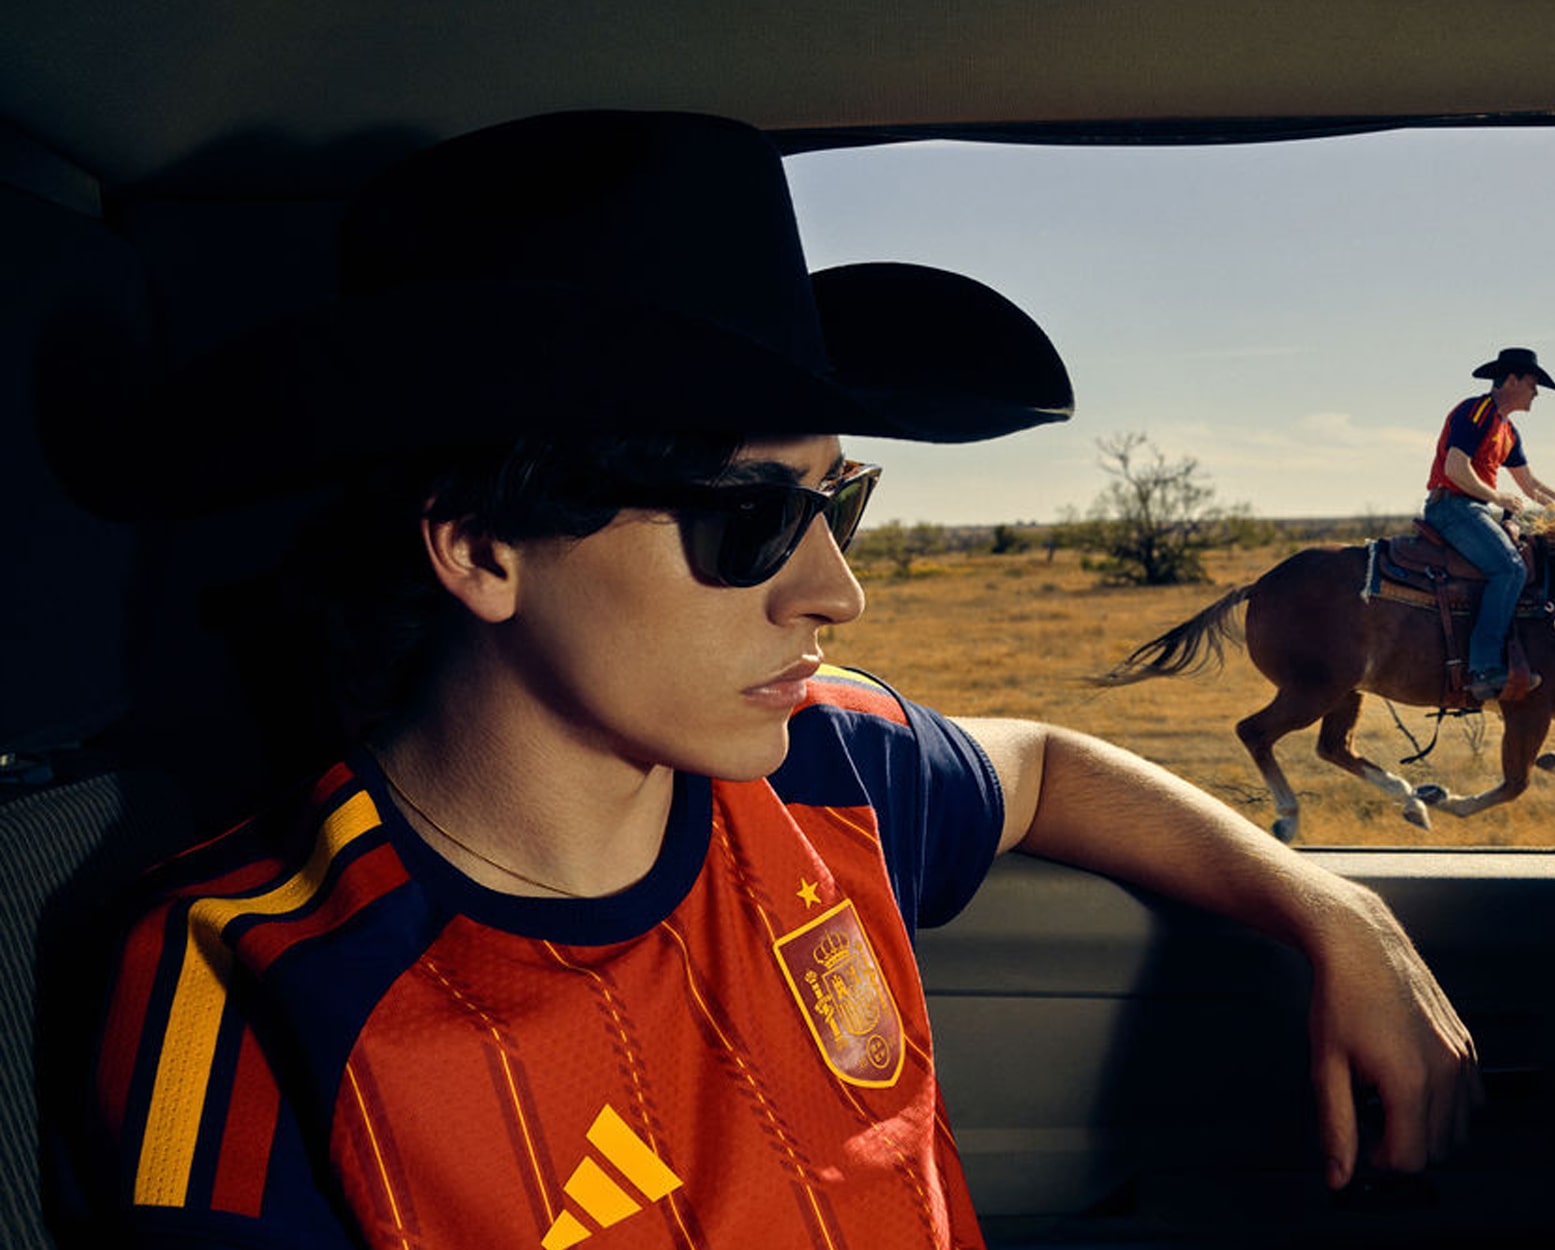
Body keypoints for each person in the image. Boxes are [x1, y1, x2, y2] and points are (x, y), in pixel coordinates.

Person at [45, 111, 1478, 1249]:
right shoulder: (245, 986)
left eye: (835, 503)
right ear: (479, 544)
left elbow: (1043, 767)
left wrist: (1330, 907)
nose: (837, 593)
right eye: (747, 517)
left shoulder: (829, 760)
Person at [1422, 347, 1555, 701]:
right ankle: (1484, 668)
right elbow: (1455, 469)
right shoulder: (1475, 412)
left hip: (1472, 510)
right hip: (1451, 508)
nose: (1536, 393)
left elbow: (1531, 486)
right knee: (1510, 569)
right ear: (1512, 380)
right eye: (1533, 384)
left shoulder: (1508, 431)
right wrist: (1497, 498)